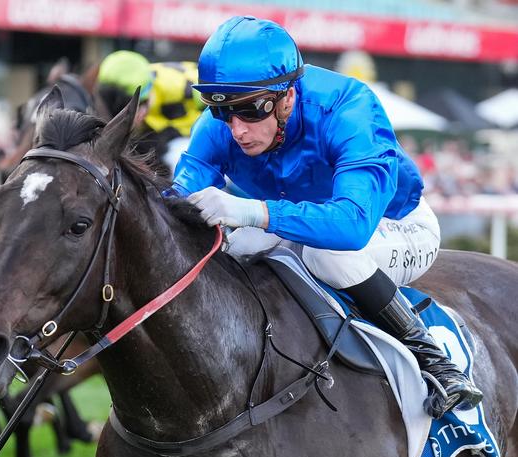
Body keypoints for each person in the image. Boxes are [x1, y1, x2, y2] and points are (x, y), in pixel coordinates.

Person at [172, 16, 482, 419]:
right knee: (232, 249)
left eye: (249, 112)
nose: (236, 130)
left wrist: (250, 210)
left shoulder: (349, 107)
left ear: (287, 96)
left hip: (393, 225)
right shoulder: (226, 123)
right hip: (299, 225)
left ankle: (438, 363)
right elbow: (174, 204)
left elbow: (351, 226)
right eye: (221, 112)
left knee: (326, 254)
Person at [96, 51, 203, 173]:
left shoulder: (186, 86)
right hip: (161, 135)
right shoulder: (109, 96)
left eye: (136, 106)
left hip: (194, 137)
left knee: (180, 160)